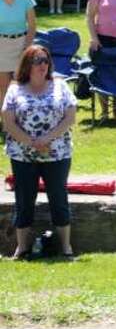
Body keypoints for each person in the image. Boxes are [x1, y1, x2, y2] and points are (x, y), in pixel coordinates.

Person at [2, 44, 76, 259]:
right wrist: (32, 142)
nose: (42, 65)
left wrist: (46, 139)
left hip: (57, 153)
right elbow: (8, 122)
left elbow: (70, 117)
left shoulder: (61, 85)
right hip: (22, 155)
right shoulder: (15, 89)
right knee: (24, 199)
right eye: (37, 61)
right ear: (27, 64)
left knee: (58, 197)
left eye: (45, 60)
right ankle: (21, 248)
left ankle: (66, 248)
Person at [0, 0, 37, 97]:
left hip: (22, 43)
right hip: (2, 45)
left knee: (21, 85)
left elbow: (32, 26)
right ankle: (4, 111)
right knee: (3, 87)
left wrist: (27, 47)